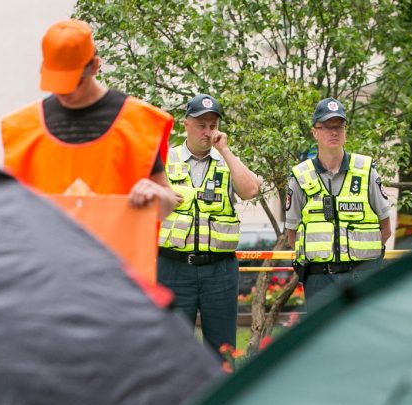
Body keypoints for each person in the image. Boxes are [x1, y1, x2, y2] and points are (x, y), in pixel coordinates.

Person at [2, 19, 177, 217]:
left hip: (114, 246)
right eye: (55, 81)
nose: (63, 92)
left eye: (72, 82)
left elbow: (167, 201)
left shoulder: (138, 124)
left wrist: (159, 197)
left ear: (94, 66)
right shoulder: (23, 129)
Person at [157, 94, 260, 356]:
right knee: (173, 348)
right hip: (173, 267)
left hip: (219, 271)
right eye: (201, 125)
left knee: (222, 348)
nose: (207, 131)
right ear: (186, 125)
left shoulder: (226, 162)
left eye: (212, 125)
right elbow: (141, 205)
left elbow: (250, 190)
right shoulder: (164, 160)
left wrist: (225, 150)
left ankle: (223, 396)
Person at [285, 97, 395, 303]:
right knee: (322, 335)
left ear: (345, 132)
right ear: (314, 132)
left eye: (339, 126)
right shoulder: (300, 176)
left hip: (362, 277)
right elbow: (293, 236)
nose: (334, 132)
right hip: (318, 279)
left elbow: (386, 228)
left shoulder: (365, 170)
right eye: (326, 126)